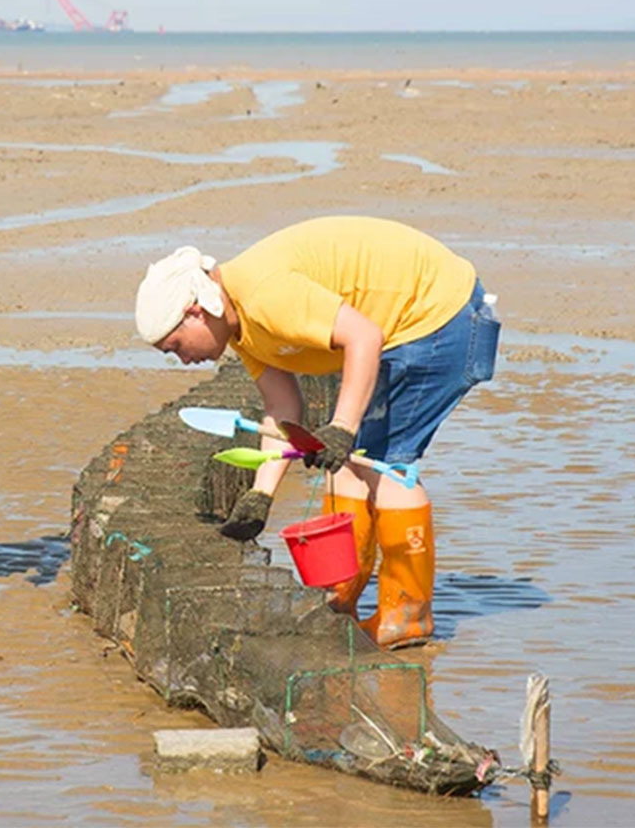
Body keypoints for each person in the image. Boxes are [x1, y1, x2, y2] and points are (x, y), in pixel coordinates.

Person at [133, 217, 500, 649]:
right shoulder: (242, 329)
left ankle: (408, 615)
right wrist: (261, 496)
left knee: (386, 467)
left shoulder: (264, 296)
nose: (180, 359)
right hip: (403, 330)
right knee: (351, 463)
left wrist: (342, 427)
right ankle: (341, 596)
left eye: (175, 346)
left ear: (196, 311)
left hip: (440, 317)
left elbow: (364, 335)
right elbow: (282, 407)